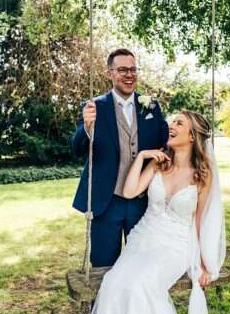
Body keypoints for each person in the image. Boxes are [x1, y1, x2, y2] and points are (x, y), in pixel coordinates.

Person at [77, 110, 226, 314]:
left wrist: (204, 262)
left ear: (191, 136)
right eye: (171, 122)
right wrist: (143, 157)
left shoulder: (202, 175)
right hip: (142, 239)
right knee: (114, 282)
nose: (171, 126)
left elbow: (201, 220)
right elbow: (129, 191)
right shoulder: (159, 165)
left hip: (175, 246)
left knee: (141, 286)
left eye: (179, 123)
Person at [71, 48, 170, 268]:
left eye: (133, 69)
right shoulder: (94, 107)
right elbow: (77, 149)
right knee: (103, 267)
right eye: (123, 69)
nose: (129, 74)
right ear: (110, 73)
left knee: (142, 266)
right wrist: (87, 127)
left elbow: (167, 143)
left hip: (142, 201)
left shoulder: (151, 106)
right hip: (107, 202)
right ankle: (103, 304)